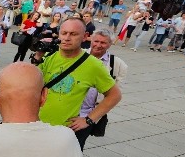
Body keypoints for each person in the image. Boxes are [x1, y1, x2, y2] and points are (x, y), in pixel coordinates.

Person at [33, 18, 122, 147]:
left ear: (85, 36)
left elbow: (115, 95)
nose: (67, 38)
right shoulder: (48, 55)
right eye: (64, 33)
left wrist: (89, 120)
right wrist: (38, 56)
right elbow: (31, 85)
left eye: (73, 34)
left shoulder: (93, 65)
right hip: (35, 124)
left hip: (63, 132)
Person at [75, 30, 128, 150]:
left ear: (110, 44)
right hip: (70, 109)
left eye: (103, 43)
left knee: (77, 147)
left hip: (88, 116)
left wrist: (90, 118)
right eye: (96, 41)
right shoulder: (78, 55)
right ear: (91, 40)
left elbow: (115, 94)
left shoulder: (118, 65)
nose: (98, 45)